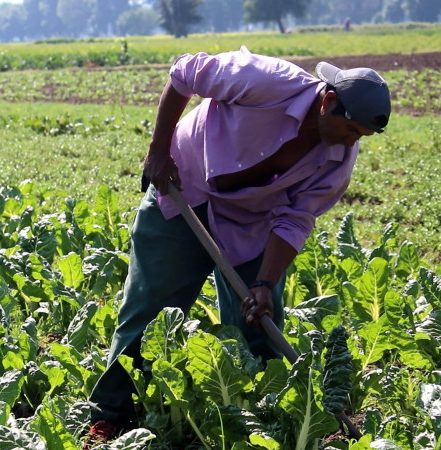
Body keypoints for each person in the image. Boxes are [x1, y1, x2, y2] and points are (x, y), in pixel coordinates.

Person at [82, 46, 391, 448]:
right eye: (351, 130)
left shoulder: (337, 159)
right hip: (183, 193)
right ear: (328, 102)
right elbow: (183, 73)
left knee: (260, 325)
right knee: (150, 309)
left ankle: (266, 425)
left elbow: (296, 218)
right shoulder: (265, 80)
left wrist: (265, 280)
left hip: (251, 223)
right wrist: (158, 150)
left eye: (361, 137)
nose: (352, 143)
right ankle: (109, 415)